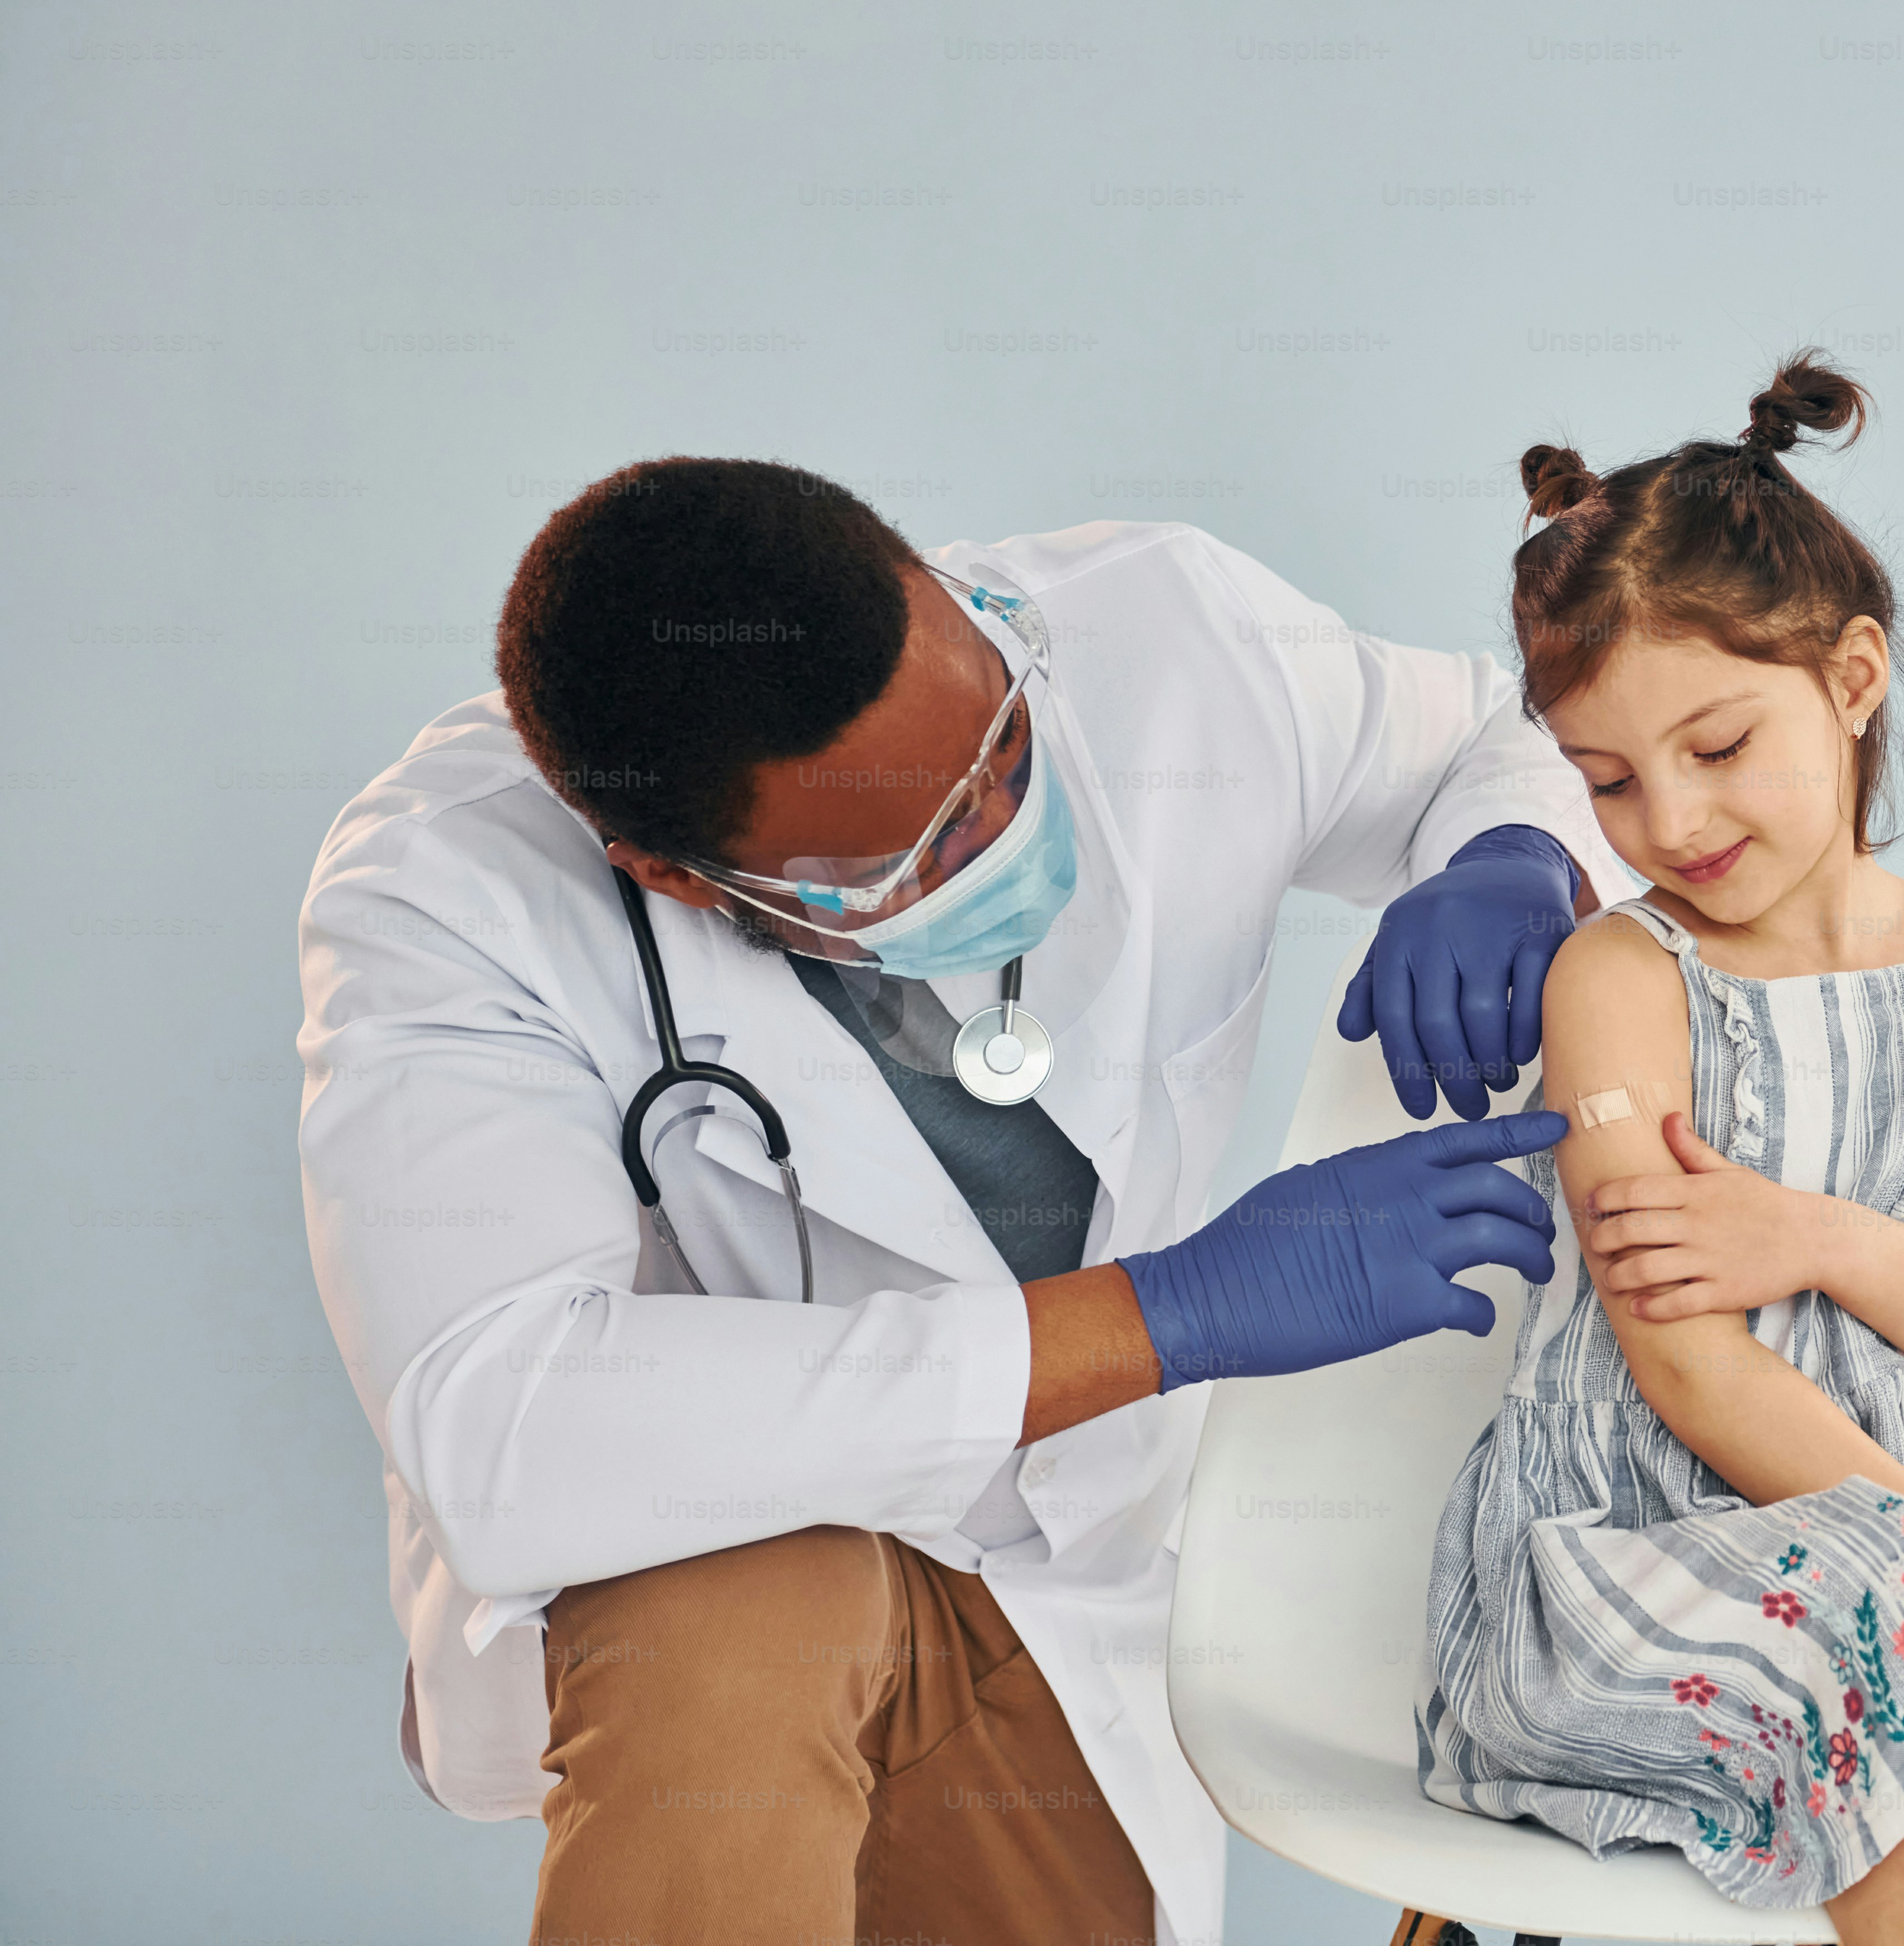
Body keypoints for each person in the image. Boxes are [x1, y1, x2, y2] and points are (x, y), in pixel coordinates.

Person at [294, 459, 1625, 1946]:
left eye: (1000, 751)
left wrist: (1514, 851)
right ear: (673, 879)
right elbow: (507, 1423)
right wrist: (1168, 1314)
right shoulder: (449, 896)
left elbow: (1521, 736)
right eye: (916, 854)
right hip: (742, 1592)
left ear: (943, 597)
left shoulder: (1157, 635)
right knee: (742, 1614)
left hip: (1074, 1587)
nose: (1001, 835)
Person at [1418, 358, 1904, 1945]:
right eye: (1606, 782)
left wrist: (1820, 1240)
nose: (1667, 822)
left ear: (1849, 680)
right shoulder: (1619, 980)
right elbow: (1690, 1375)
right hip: (1628, 1574)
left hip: (1897, 1567)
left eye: (1713, 747)